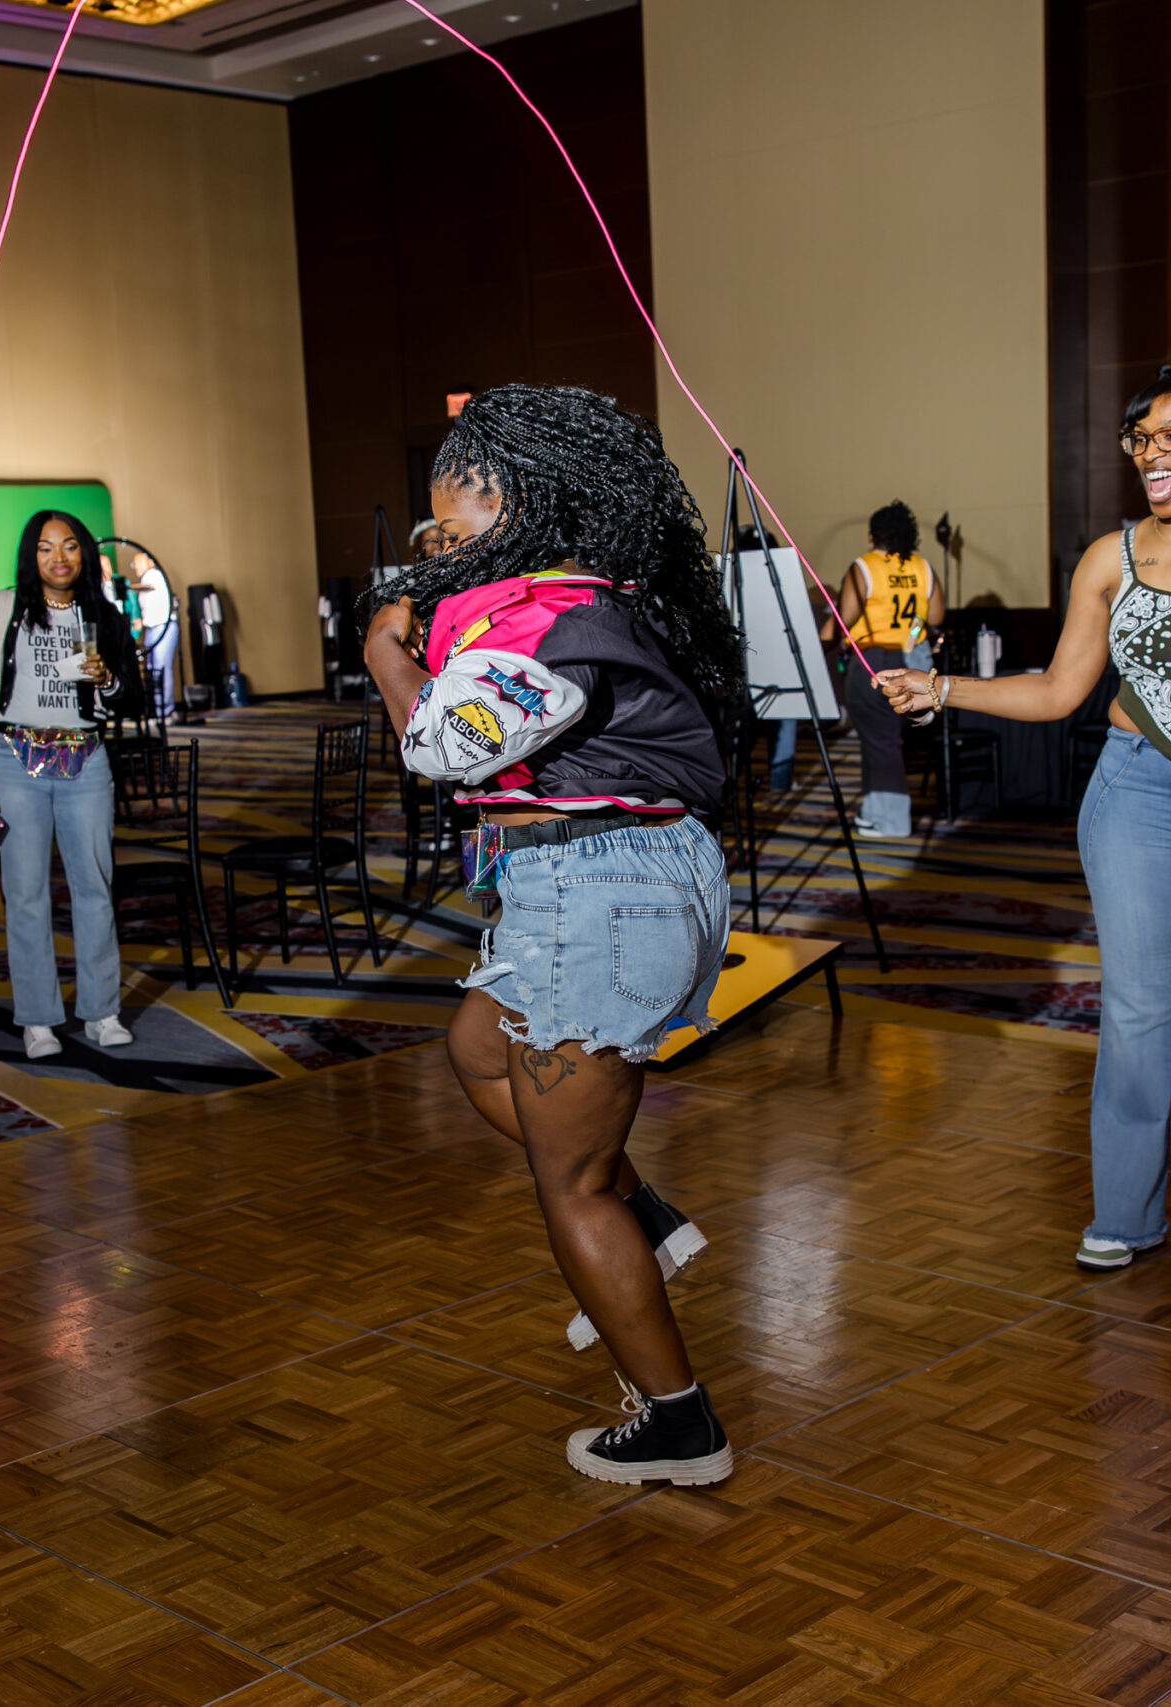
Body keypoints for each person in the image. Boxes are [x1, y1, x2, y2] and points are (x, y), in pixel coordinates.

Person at [877, 358, 1171, 1279]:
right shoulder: (1111, 557)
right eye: (1141, 438)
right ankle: (1125, 1214)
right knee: (1134, 1012)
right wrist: (943, 688)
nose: (1151, 454)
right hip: (1132, 792)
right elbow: (1061, 691)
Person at [362, 384, 737, 1485]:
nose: (440, 552)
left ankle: (679, 1425)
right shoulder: (583, 593)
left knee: (569, 1187)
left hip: (596, 887)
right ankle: (645, 1214)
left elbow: (445, 748)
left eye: (454, 529)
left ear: (517, 503)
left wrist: (386, 650)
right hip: (621, 874)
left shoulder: (539, 619)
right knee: (478, 1048)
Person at [0, 511, 143, 1058]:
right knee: (26, 893)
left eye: (69, 546)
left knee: (95, 889)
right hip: (15, 761)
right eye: (45, 548)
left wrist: (107, 680)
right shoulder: (0, 610)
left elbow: (131, 699)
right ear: (30, 555)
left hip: (86, 759)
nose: (58, 558)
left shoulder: (102, 616)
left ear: (83, 553)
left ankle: (102, 1012)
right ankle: (37, 1019)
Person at [830, 502, 942, 839]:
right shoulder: (922, 567)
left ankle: (894, 821)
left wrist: (823, 636)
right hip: (912, 662)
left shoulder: (864, 567)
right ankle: (873, 813)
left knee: (881, 741)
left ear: (872, 535)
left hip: (873, 660)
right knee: (880, 739)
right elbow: (934, 617)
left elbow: (846, 617)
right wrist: (911, 631)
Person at [126, 548, 179, 717]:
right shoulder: (148, 577)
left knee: (161, 669)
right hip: (153, 628)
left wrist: (125, 587)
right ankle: (159, 710)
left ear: (148, 561)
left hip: (162, 626)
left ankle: (166, 711)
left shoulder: (153, 575)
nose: (135, 567)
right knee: (153, 669)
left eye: (137, 562)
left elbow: (148, 587)